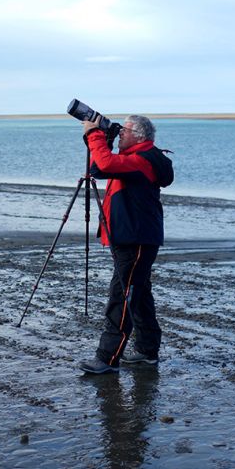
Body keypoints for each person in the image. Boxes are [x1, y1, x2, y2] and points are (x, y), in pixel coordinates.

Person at [77, 114, 173, 375]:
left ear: (139, 136)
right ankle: (147, 351)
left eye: (125, 130)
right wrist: (103, 139)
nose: (120, 133)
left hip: (136, 238)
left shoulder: (143, 160)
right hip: (132, 236)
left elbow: (105, 163)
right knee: (138, 294)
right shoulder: (134, 159)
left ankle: (107, 358)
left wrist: (93, 135)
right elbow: (98, 168)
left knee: (122, 295)